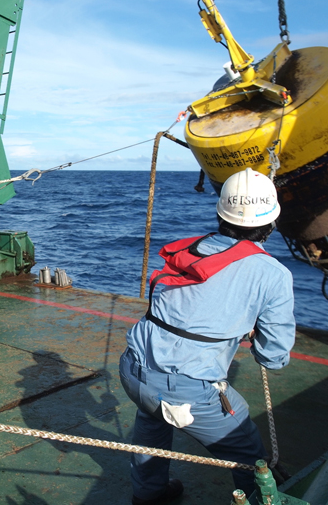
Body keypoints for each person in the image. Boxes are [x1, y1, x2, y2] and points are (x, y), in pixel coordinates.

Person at [120, 168, 295, 505]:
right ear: (272, 221)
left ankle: (149, 495)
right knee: (249, 452)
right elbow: (273, 357)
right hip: (184, 388)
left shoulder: (197, 247)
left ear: (220, 213)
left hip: (132, 368)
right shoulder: (273, 274)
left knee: (152, 422)